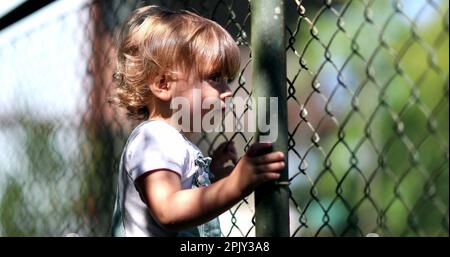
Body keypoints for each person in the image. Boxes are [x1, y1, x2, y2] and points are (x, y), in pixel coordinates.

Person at [110, 5, 285, 237]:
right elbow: (169, 210)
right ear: (163, 84)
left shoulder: (170, 140)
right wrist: (236, 185)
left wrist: (210, 176)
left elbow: (180, 194)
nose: (228, 91)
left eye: (227, 80)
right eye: (215, 78)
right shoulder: (153, 138)